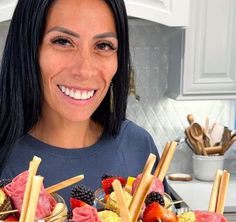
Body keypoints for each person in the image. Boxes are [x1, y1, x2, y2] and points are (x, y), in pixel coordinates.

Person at [0, 0, 167, 203]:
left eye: (103, 45)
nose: (84, 70)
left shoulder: (139, 147)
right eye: (63, 41)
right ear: (28, 49)